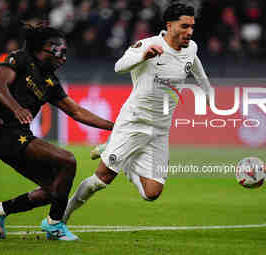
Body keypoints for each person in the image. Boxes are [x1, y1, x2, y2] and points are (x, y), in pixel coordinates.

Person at [62, 3, 212, 222]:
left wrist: (207, 91)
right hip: (133, 123)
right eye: (184, 26)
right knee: (102, 179)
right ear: (170, 26)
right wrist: (143, 56)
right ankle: (59, 218)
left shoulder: (191, 48)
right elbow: (119, 66)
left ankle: (127, 161)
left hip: (160, 130)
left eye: (192, 26)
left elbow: (195, 65)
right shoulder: (149, 44)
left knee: (152, 193)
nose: (189, 31)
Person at [0, 22, 114, 241]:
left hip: (18, 135)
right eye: (61, 52)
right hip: (1, 131)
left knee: (54, 189)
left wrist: (113, 126)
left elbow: (77, 111)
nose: (63, 58)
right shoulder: (20, 59)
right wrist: (17, 108)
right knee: (68, 160)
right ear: (46, 47)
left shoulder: (50, 81)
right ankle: (54, 225)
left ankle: (0, 210)